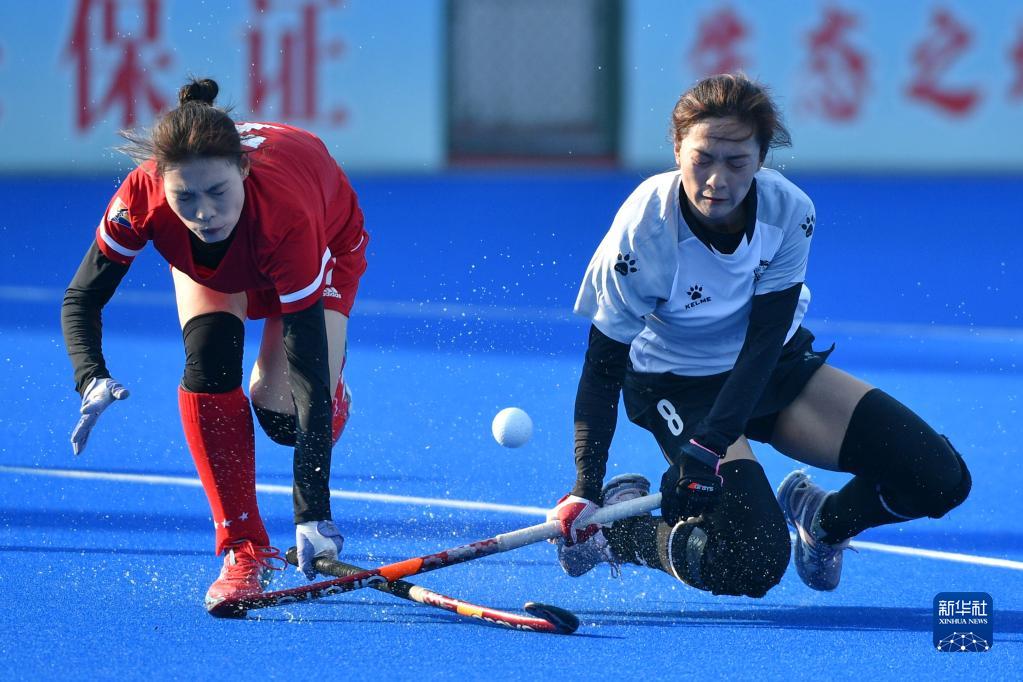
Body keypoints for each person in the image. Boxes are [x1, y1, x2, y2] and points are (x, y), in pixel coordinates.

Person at [547, 73, 971, 597]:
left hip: (769, 366)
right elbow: (603, 366)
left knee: (938, 477)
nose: (717, 180)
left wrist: (709, 445)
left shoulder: (789, 212)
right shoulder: (643, 234)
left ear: (761, 159)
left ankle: (823, 521)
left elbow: (766, 341)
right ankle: (618, 532)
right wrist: (585, 488)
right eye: (703, 158)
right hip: (679, 383)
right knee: (752, 560)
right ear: (677, 149)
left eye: (737, 162)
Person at [61, 78, 369, 616]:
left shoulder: (287, 216)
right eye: (185, 197)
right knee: (209, 361)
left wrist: (312, 514)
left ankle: (336, 398)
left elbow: (305, 367)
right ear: (161, 183)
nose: (203, 213)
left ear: (243, 169)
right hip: (221, 264)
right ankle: (243, 548)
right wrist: (90, 376)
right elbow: (82, 297)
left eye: (217, 193)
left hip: (322, 242)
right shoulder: (142, 198)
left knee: (284, 413)